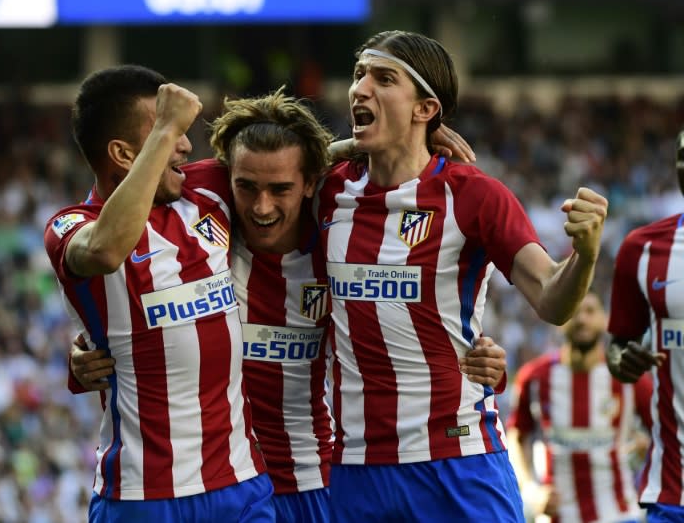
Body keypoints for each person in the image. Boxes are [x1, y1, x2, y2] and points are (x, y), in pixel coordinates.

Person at [68, 86, 510, 522]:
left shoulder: (338, 249)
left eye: (280, 189)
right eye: (247, 187)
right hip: (230, 485)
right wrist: (87, 351)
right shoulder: (207, 203)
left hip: (315, 483)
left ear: (307, 185)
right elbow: (126, 263)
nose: (261, 207)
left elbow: (407, 320)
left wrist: (481, 358)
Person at [313, 29, 609, 522]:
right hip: (356, 469)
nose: (360, 89)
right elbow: (243, 170)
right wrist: (346, 146)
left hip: (458, 462)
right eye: (359, 75)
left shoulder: (474, 195)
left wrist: (586, 254)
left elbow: (553, 301)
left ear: (425, 107)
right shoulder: (326, 191)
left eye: (383, 78)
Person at [43, 65, 274, 522]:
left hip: (240, 484)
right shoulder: (70, 226)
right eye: (170, 131)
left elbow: (286, 167)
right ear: (124, 154)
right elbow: (106, 250)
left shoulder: (205, 195)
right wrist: (166, 128)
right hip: (142, 498)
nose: (186, 144)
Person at [507, 291, 652, 523]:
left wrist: (650, 452)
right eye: (574, 312)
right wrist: (531, 490)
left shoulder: (628, 376)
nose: (582, 319)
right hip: (557, 517)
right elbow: (516, 436)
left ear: (605, 320)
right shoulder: (534, 378)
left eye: (590, 311)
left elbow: (666, 431)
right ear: (560, 321)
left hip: (618, 515)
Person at [606, 128, 684, 523]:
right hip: (673, 489)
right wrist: (624, 360)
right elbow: (618, 346)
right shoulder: (643, 248)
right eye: (682, 157)